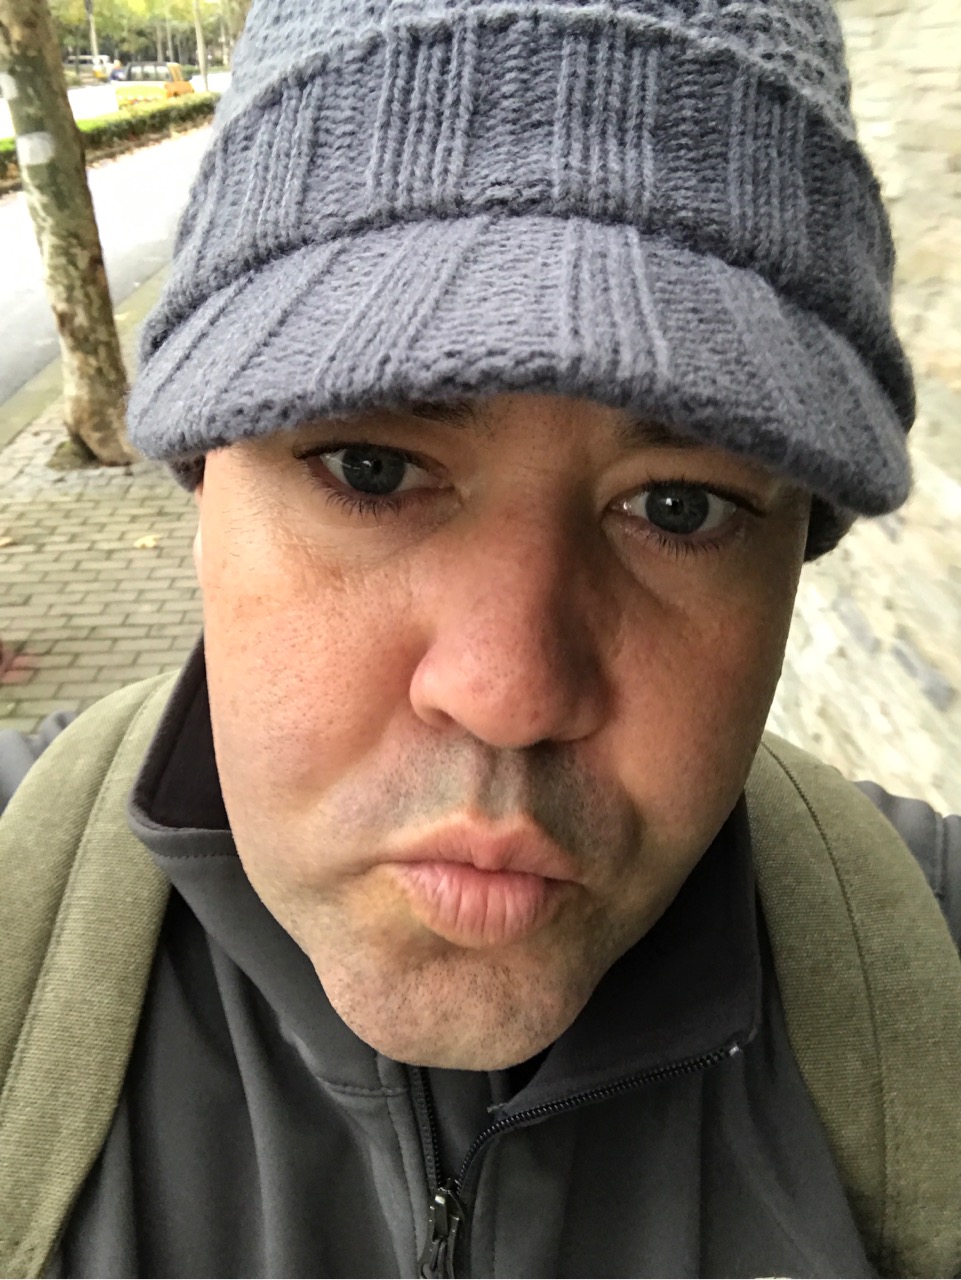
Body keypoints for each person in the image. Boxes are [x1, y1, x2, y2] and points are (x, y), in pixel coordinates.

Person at [1, 0, 959, 1276]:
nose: (509, 693)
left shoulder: (932, 972)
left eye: (680, 506)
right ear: (202, 488)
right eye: (370, 466)